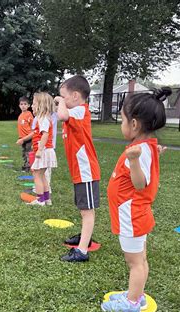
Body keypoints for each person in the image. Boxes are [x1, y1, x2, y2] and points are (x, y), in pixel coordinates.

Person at [101, 87, 171, 312]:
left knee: (135, 262)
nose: (120, 125)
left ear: (134, 124)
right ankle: (136, 295)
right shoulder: (145, 147)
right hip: (133, 212)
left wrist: (134, 162)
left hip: (131, 213)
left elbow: (140, 183)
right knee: (139, 258)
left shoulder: (139, 150)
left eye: (121, 120)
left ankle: (132, 303)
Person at [55, 75, 101, 262]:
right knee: (83, 208)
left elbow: (62, 115)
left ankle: (82, 250)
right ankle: (85, 237)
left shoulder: (81, 111)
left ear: (75, 96)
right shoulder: (75, 113)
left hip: (86, 171)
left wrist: (59, 101)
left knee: (87, 211)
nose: (62, 101)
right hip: (79, 171)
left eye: (64, 96)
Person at [25, 92, 57, 206]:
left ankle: (39, 200)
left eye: (34, 104)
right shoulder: (43, 118)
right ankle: (46, 199)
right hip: (47, 150)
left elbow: (45, 134)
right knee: (42, 174)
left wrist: (39, 150)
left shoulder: (42, 119)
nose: (32, 106)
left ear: (41, 106)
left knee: (36, 174)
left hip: (43, 151)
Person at [16, 96, 34, 171]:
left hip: (28, 138)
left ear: (28, 105)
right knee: (24, 152)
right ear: (19, 105)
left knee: (28, 152)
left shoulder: (29, 114)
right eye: (21, 104)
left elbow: (32, 127)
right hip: (22, 138)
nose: (23, 106)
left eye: (25, 104)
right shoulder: (20, 115)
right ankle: (25, 164)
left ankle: (28, 167)